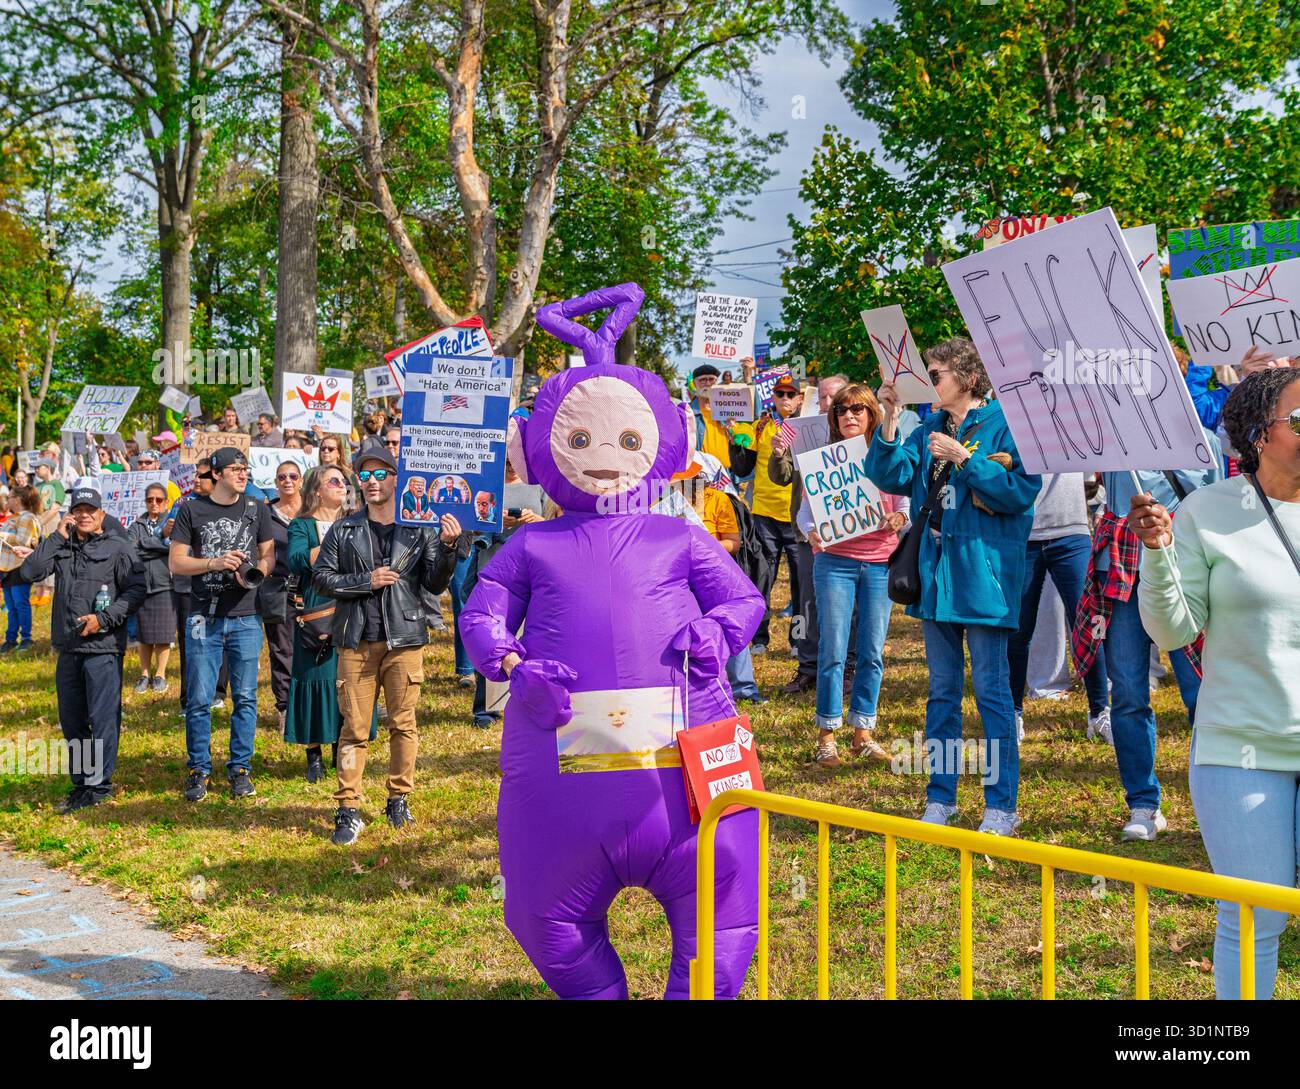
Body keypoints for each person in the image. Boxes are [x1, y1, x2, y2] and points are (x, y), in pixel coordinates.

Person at [1135, 368, 1300, 999]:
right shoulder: (1208, 510)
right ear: (1260, 434)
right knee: (1260, 914)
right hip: (1242, 748)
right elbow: (1174, 631)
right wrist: (1157, 553)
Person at [865, 337, 1039, 835]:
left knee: (992, 693)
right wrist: (891, 422)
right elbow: (893, 475)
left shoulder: (1007, 423)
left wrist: (967, 458)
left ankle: (1002, 805)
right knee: (941, 693)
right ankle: (940, 797)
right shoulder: (926, 428)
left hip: (983, 574)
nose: (928, 381)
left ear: (965, 376)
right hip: (936, 575)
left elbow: (1020, 493)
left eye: (935, 373)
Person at [1073, 431, 1222, 841]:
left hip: (1184, 574)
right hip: (1123, 571)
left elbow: (1214, 509)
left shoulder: (1202, 441)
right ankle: (1143, 804)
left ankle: (1217, 800)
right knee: (1128, 692)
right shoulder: (1116, 433)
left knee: (1202, 694)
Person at [313, 446, 465, 845]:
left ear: (397, 478)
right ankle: (348, 808)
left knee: (403, 724)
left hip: (405, 638)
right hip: (356, 640)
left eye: (381, 474)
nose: (372, 482)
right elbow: (321, 578)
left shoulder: (420, 528)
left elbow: (434, 584)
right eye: (364, 476)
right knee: (354, 728)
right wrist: (366, 580)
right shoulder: (344, 529)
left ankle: (398, 798)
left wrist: (449, 548)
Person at [14, 487, 146, 812]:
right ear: (71, 514)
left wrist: (104, 620)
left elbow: (137, 589)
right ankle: (81, 785)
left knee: (102, 719)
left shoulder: (119, 547)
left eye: (91, 510)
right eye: (79, 510)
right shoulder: (63, 546)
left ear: (101, 514)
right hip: (68, 647)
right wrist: (57, 538)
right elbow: (30, 572)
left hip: (102, 647)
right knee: (72, 720)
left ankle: (99, 788)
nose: (84, 515)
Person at [803, 384, 909, 766]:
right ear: (834, 418)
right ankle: (826, 736)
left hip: (880, 564)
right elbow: (805, 514)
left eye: (859, 410)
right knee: (832, 650)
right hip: (834, 562)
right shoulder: (823, 461)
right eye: (842, 410)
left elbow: (904, 500)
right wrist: (809, 531)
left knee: (872, 652)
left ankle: (862, 732)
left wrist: (900, 517)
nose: (849, 415)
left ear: (871, 415)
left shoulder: (886, 455)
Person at [168, 446, 275, 802]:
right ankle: (199, 768)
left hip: (246, 615)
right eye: (235, 469)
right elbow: (177, 563)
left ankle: (240, 767)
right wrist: (213, 564)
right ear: (216, 474)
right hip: (203, 615)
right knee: (199, 698)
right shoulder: (191, 509)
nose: (243, 474)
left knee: (246, 696)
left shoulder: (256, 508)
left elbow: (268, 553)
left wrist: (255, 574)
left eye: (245, 469)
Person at [286, 465, 376, 780]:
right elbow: (296, 561)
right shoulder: (302, 525)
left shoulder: (355, 522)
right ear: (316, 490)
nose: (342, 486)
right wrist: (332, 542)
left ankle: (343, 749)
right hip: (316, 611)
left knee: (347, 680)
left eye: (344, 481)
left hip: (351, 609)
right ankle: (314, 755)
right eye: (334, 481)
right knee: (315, 676)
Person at [1007, 473, 1110, 743]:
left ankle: (1099, 712)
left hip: (1071, 530)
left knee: (1089, 626)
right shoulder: (1011, 428)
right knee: (1018, 628)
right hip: (1023, 530)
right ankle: (1013, 714)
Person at [768, 373, 848, 694]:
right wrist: (777, 452)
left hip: (848, 532)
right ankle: (808, 668)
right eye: (824, 398)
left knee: (848, 605)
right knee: (807, 604)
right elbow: (783, 476)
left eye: (834, 398)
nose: (827, 403)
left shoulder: (857, 429)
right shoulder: (800, 429)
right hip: (808, 533)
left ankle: (848, 667)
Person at [729, 372, 802, 655]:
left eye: (790, 394)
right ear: (773, 397)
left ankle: (799, 641)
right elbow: (741, 468)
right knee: (762, 579)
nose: (785, 399)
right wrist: (734, 438)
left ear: (798, 399)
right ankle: (759, 639)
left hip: (797, 517)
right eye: (780, 394)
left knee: (801, 584)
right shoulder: (760, 426)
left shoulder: (808, 427)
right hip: (764, 514)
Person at [263, 460, 304, 733]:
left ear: (301, 480)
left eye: (292, 476)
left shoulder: (313, 510)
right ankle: (285, 707)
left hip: (313, 588)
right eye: (281, 477)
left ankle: (313, 704)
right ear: (276, 483)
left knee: (317, 645)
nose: (287, 480)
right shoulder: (265, 515)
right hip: (278, 589)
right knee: (282, 649)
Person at [125, 483, 176, 691]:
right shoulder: (136, 524)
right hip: (141, 583)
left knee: (163, 633)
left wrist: (148, 544)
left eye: (158, 500)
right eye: (149, 500)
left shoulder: (172, 522)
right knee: (143, 633)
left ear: (165, 502)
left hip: (164, 583)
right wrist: (159, 541)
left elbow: (173, 548)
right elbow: (130, 550)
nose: (154, 503)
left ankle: (160, 674)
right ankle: (144, 674)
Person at [0, 485, 45, 651]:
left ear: (18, 500)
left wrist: (3, 535)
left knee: (21, 604)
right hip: (6, 568)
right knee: (11, 607)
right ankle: (11, 639)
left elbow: (24, 541)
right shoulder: (14, 517)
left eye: (10, 496)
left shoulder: (28, 518)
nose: (8, 499)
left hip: (20, 567)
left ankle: (26, 638)